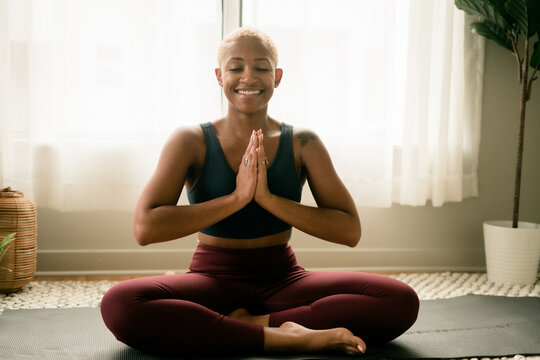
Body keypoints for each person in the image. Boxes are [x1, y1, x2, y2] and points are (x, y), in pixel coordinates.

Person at [100, 27, 419, 356]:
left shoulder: (302, 142)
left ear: (277, 76)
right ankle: (289, 335)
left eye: (262, 68)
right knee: (120, 305)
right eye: (236, 67)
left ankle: (249, 324)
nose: (248, 77)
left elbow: (349, 230)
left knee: (399, 301)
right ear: (219, 76)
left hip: (283, 277)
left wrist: (268, 199)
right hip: (212, 277)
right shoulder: (190, 140)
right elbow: (145, 228)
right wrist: (236, 199)